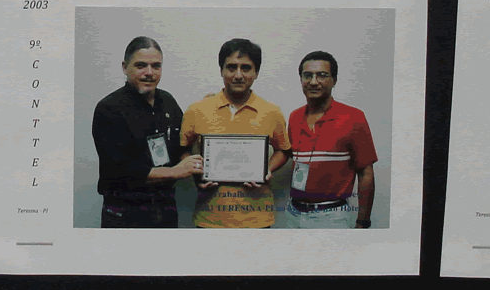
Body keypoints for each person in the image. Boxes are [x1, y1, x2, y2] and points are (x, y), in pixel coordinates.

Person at [180, 38, 290, 229]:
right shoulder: (197, 109)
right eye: (231, 67)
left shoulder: (272, 112)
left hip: (257, 219)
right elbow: (183, 148)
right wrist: (197, 173)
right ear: (221, 70)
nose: (238, 75)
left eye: (246, 68)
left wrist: (267, 170)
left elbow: (284, 150)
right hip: (210, 219)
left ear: (256, 72)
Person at [92, 36, 200, 227]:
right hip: (125, 212)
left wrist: (196, 168)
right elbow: (120, 171)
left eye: (156, 66)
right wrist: (175, 172)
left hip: (165, 208)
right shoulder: (109, 108)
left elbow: (180, 146)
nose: (149, 72)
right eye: (141, 65)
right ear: (125, 67)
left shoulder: (167, 101)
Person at [285, 50, 379, 228]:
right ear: (301, 80)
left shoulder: (353, 117)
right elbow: (287, 155)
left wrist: (363, 221)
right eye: (307, 75)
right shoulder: (294, 117)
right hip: (293, 213)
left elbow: (366, 172)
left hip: (332, 216)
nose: (313, 81)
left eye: (322, 75)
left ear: (334, 80)